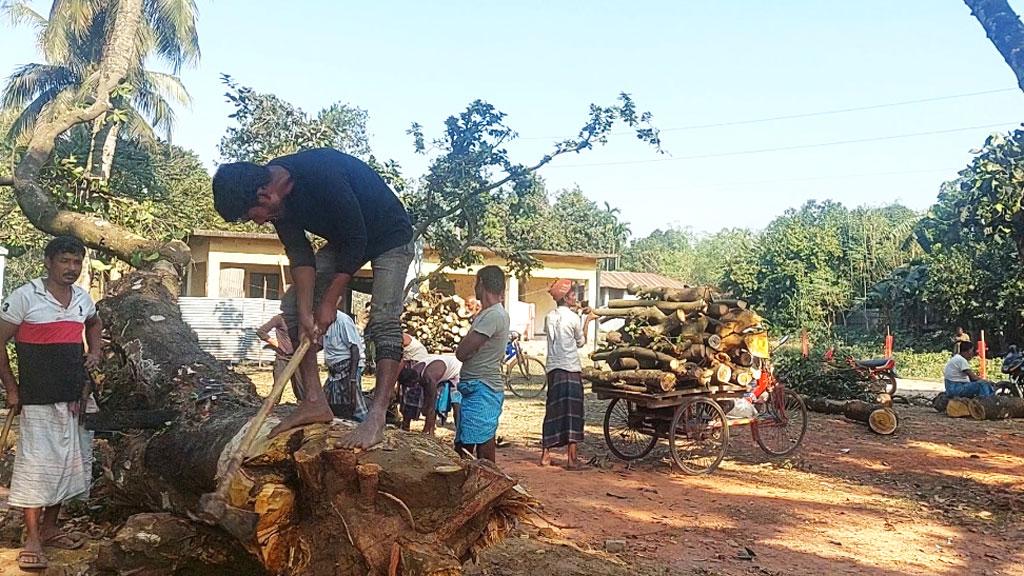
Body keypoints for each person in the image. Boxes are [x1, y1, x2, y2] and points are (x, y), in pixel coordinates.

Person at [213, 148, 414, 447]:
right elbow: (300, 256)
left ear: (263, 196)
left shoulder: (320, 173)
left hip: (389, 234)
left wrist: (329, 302)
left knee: (383, 319)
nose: (255, 223)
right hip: (347, 239)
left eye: (247, 216)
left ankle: (376, 417)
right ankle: (314, 401)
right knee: (294, 308)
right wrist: (307, 311)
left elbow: (358, 239)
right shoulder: (278, 206)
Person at [0, 236, 103, 571]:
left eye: (77, 262)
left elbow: (94, 322)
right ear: (48, 261)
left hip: (75, 395)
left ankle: (50, 528)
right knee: (35, 466)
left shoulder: (82, 298)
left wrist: (95, 351)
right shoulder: (25, 296)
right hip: (37, 397)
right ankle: (31, 538)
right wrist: (12, 389)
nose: (71, 269)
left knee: (68, 464)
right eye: (64, 261)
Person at [454, 266, 510, 462]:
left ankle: (488, 486)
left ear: (482, 284)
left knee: (475, 448)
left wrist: (463, 347)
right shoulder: (489, 314)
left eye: (475, 282)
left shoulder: (493, 315)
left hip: (483, 388)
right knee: (468, 443)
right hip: (478, 386)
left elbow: (462, 352)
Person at [540, 279, 588, 469]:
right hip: (571, 368)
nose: (575, 297)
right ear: (566, 298)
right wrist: (587, 321)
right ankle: (571, 458)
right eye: (573, 295)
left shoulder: (549, 316)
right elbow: (580, 342)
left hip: (553, 369)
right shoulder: (574, 318)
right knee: (573, 412)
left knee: (553, 410)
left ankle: (545, 455)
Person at [399, 355, 463, 434]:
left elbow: (431, 405)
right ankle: (431, 431)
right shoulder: (415, 369)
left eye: (410, 386)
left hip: (459, 371)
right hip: (444, 369)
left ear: (413, 382)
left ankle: (460, 434)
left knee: (456, 405)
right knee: (428, 402)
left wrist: (423, 434)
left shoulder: (429, 378)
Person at [323, 310, 368, 421]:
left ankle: (363, 425)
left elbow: (355, 349)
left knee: (355, 403)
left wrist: (352, 379)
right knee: (332, 402)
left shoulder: (343, 321)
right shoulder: (324, 322)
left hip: (349, 367)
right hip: (334, 372)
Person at [256, 314, 305, 401]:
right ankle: (272, 408)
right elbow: (261, 332)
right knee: (277, 388)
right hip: (282, 358)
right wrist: (276, 343)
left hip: (297, 359)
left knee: (300, 388)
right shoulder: (279, 318)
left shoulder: (302, 319)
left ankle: (300, 407)